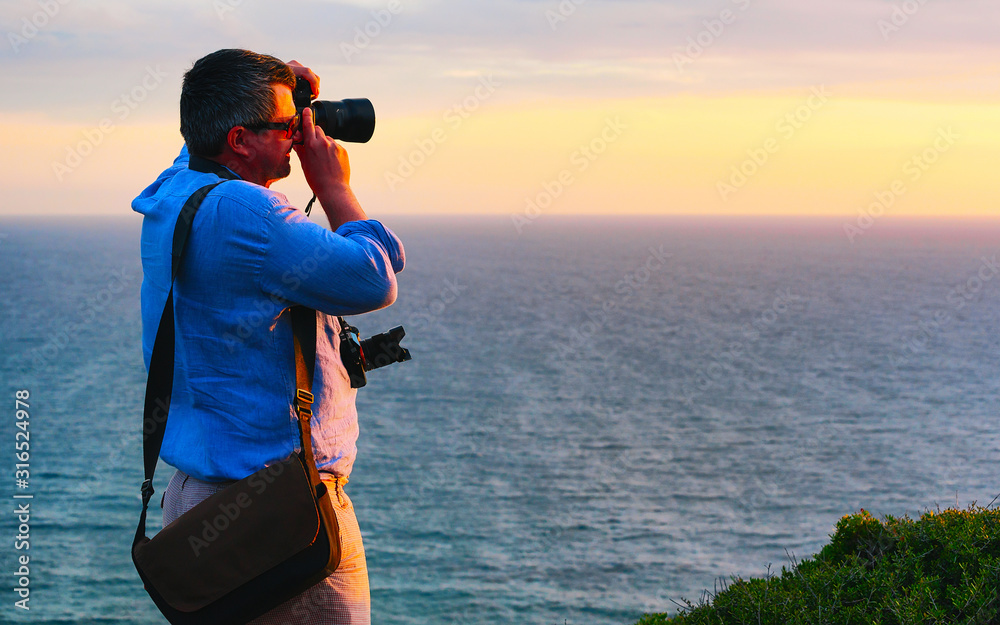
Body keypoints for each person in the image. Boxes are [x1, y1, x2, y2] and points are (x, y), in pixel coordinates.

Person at [132, 49, 404, 624]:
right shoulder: (246, 211)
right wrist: (333, 185)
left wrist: (281, 95)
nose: (301, 134)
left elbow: (199, 144)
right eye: (287, 126)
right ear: (238, 138)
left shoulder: (175, 191)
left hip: (197, 504)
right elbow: (373, 278)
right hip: (279, 511)